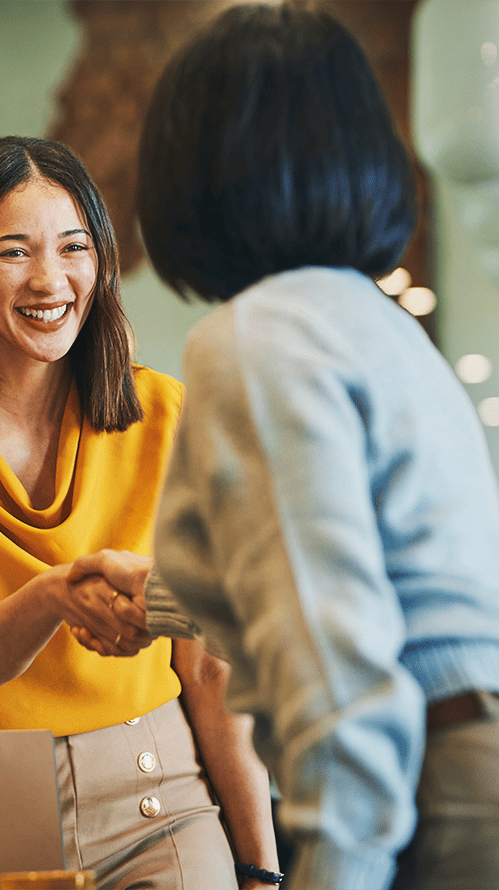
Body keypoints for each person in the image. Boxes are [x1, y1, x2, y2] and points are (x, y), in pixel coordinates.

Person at [72, 4, 499, 890]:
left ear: (195, 168)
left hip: (436, 787)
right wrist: (158, 602)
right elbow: (376, 574)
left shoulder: (258, 341)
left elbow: (338, 674)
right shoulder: (374, 325)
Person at [0, 135, 280, 890]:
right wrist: (53, 594)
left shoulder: (170, 416)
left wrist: (262, 870)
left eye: (74, 247)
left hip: (160, 801)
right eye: (13, 252)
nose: (50, 280)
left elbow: (209, 671)